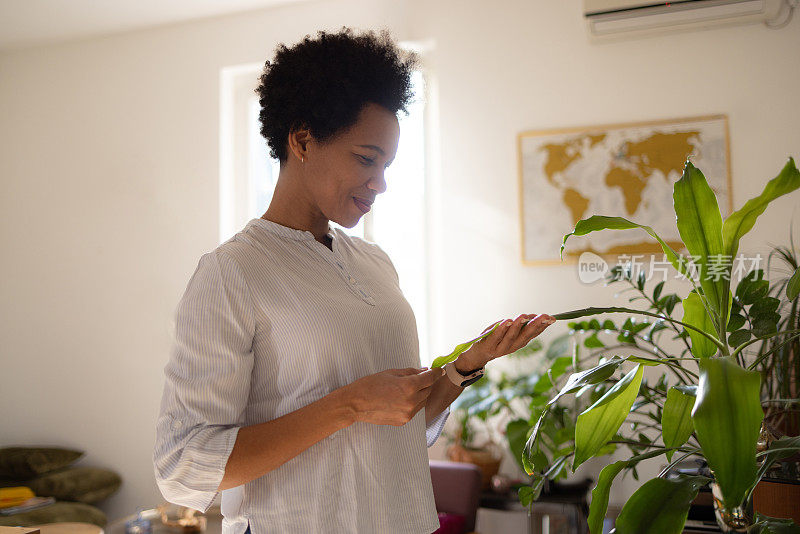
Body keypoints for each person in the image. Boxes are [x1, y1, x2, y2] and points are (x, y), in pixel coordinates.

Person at [153, 27, 556, 534]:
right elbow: (183, 465)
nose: (380, 184)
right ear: (301, 140)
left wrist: (464, 368)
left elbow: (398, 423)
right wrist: (347, 405)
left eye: (386, 165)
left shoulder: (374, 262)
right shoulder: (232, 273)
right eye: (366, 159)